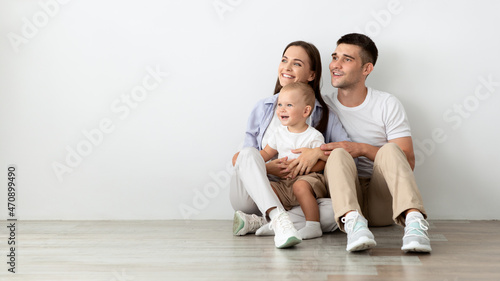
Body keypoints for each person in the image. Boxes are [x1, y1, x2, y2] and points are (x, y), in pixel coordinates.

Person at [230, 41, 350, 248]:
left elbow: (345, 153)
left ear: (311, 75)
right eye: (284, 60)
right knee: (249, 153)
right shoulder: (263, 107)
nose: (286, 67)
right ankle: (277, 217)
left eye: (296, 63)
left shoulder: (323, 113)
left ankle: (265, 222)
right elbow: (241, 159)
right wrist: (265, 167)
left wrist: (316, 155)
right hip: (256, 193)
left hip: (298, 192)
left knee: (335, 212)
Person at [318, 33, 432, 252]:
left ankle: (415, 224)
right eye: (335, 57)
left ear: (366, 69)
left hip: (383, 201)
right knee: (339, 154)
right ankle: (354, 225)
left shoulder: (387, 103)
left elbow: (407, 160)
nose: (335, 65)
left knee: (391, 149)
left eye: (347, 59)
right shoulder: (323, 105)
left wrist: (360, 149)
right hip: (344, 198)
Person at [260, 82, 329, 240]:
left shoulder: (313, 136)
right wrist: (251, 161)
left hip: (309, 180)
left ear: (306, 111)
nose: (282, 109)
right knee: (269, 188)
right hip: (285, 182)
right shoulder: (278, 133)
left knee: (300, 185)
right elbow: (265, 153)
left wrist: (304, 169)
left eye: (289, 105)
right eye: (280, 105)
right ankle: (277, 221)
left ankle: (313, 225)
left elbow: (323, 161)